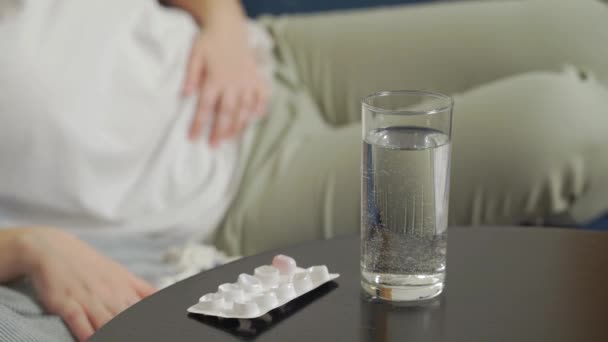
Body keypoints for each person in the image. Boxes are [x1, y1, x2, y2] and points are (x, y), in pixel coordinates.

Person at [0, 0, 607, 341]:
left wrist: (224, 24)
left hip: (275, 55)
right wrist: (30, 246)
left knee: (594, 28)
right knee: (571, 124)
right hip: (238, 188)